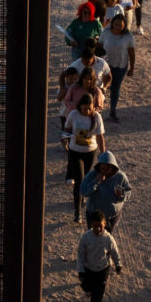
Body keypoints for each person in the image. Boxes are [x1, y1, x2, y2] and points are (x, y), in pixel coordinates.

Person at [63, 92, 105, 222]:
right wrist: (65, 141)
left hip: (90, 153)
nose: (87, 111)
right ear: (80, 106)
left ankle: (82, 200)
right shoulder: (73, 115)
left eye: (89, 108)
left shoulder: (97, 117)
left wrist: (103, 154)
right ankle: (77, 212)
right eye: (84, 108)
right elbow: (67, 128)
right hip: (75, 152)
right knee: (79, 180)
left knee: (86, 181)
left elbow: (99, 137)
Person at [76, 210, 122, 302]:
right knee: (87, 286)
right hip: (88, 268)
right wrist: (81, 271)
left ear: (105, 224)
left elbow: (114, 252)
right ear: (91, 224)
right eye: (95, 226)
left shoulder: (108, 239)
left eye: (100, 226)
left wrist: (118, 264)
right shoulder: (85, 238)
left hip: (103, 269)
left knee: (99, 291)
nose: (98, 229)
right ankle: (87, 289)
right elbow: (81, 255)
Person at [81, 151, 131, 232]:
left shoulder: (120, 177)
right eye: (102, 169)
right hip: (94, 216)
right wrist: (96, 181)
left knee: (107, 239)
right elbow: (83, 191)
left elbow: (128, 191)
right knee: (93, 238)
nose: (104, 171)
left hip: (112, 216)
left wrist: (122, 195)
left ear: (112, 167)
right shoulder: (92, 175)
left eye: (107, 169)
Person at [98, 14, 136, 122]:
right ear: (112, 24)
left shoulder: (128, 36)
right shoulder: (106, 32)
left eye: (120, 25)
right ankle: (98, 111)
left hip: (120, 66)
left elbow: (131, 53)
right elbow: (99, 46)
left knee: (115, 89)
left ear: (124, 26)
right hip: (105, 66)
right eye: (116, 24)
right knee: (101, 89)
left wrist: (132, 68)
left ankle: (112, 111)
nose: (118, 27)